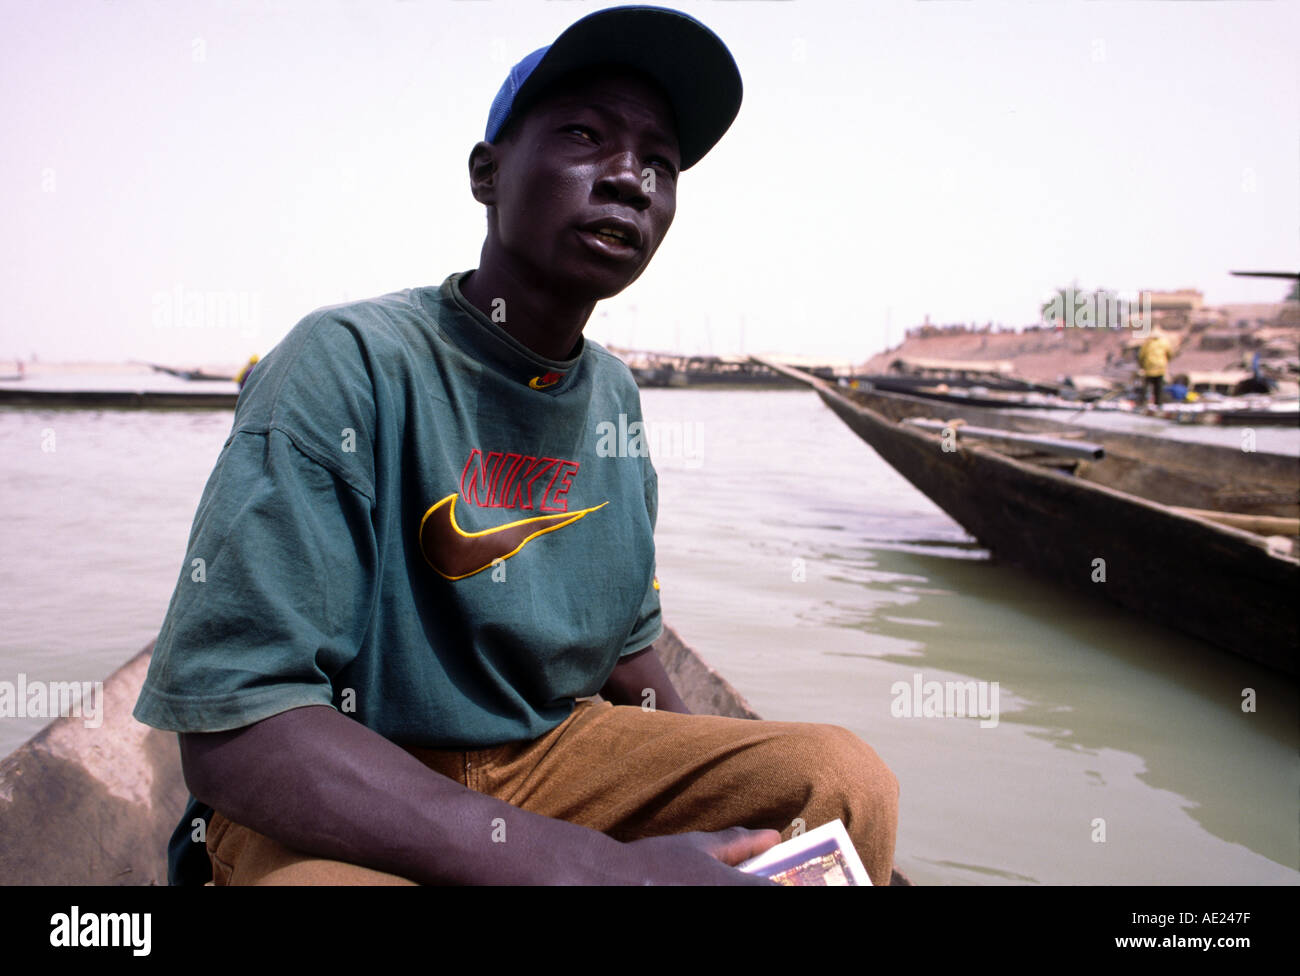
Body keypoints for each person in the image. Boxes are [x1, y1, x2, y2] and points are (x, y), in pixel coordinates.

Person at [134, 5, 899, 886]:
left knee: (841, 781)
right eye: (585, 135)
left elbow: (626, 654)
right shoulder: (347, 363)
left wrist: (717, 781)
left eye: (661, 162)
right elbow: (236, 730)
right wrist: (592, 868)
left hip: (542, 759)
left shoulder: (613, 395)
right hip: (352, 778)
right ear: (487, 174)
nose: (631, 180)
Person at [1137, 327, 1173, 407]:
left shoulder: (1147, 343)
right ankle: (1158, 403)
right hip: (1160, 367)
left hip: (1149, 367)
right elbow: (1169, 354)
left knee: (1146, 386)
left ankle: (1143, 402)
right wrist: (1166, 361)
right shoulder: (1165, 343)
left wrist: (1142, 365)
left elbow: (1141, 355)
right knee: (1159, 386)